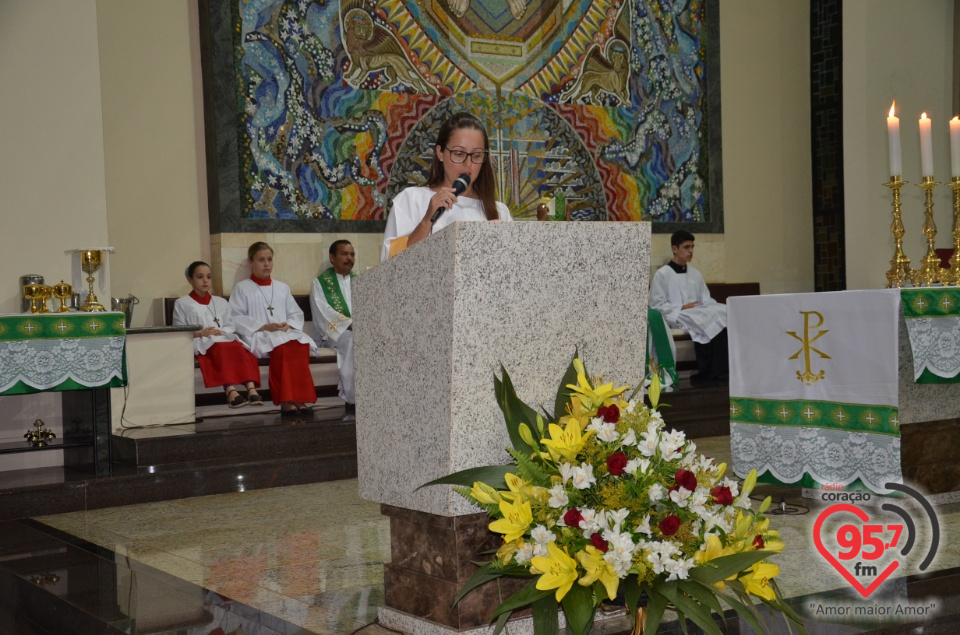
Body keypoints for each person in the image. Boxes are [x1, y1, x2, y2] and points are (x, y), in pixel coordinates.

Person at [381, 111, 513, 262]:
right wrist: (426, 221)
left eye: (476, 155)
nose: (468, 164)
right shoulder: (411, 200)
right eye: (458, 153)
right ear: (440, 153)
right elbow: (391, 268)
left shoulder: (500, 212)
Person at [229, 242, 318, 417]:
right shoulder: (242, 288)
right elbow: (234, 316)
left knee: (299, 345)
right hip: (259, 335)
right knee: (283, 348)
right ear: (251, 263)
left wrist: (289, 325)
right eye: (261, 260)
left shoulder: (282, 287)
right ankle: (285, 400)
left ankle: (300, 398)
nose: (266, 264)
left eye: (269, 259)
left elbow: (295, 313)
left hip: (282, 332)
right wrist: (262, 326)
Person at [173, 261, 263, 408]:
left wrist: (222, 331)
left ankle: (251, 389)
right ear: (190, 279)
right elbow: (179, 331)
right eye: (200, 277)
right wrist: (202, 333)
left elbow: (230, 325)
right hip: (201, 341)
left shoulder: (220, 301)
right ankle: (230, 390)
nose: (205, 281)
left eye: (208, 277)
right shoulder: (182, 303)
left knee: (241, 348)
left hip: (223, 337)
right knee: (220, 348)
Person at [649, 230, 728, 383]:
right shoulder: (662, 274)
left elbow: (706, 299)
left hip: (697, 312)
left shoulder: (695, 274)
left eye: (692, 247)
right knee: (702, 317)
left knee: (723, 310)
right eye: (686, 247)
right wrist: (682, 308)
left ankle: (720, 370)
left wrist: (708, 307)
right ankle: (708, 372)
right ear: (675, 249)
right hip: (676, 315)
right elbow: (655, 305)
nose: (691, 251)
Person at [310, 240, 356, 413]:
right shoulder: (320, 283)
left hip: (359, 331)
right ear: (332, 257)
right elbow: (323, 312)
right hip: (333, 335)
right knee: (352, 340)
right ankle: (353, 400)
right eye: (344, 254)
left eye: (352, 254)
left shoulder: (360, 280)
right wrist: (350, 323)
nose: (349, 258)